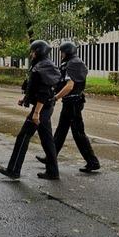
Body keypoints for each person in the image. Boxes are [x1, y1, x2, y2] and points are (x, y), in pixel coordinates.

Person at [0, 40, 61, 180]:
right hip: (44, 107)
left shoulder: (44, 66)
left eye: (33, 51)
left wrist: (36, 113)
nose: (31, 54)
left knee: (23, 136)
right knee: (47, 140)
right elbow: (36, 87)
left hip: (42, 109)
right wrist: (26, 99)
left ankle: (14, 170)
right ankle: (53, 172)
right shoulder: (42, 64)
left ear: (39, 51)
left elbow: (45, 92)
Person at [36, 41, 100, 173]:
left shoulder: (74, 64)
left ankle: (93, 162)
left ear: (67, 52)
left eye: (62, 52)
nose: (61, 55)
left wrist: (56, 97)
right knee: (61, 131)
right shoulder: (69, 63)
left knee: (78, 133)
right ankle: (50, 157)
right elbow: (61, 82)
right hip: (69, 102)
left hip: (74, 103)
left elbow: (70, 86)